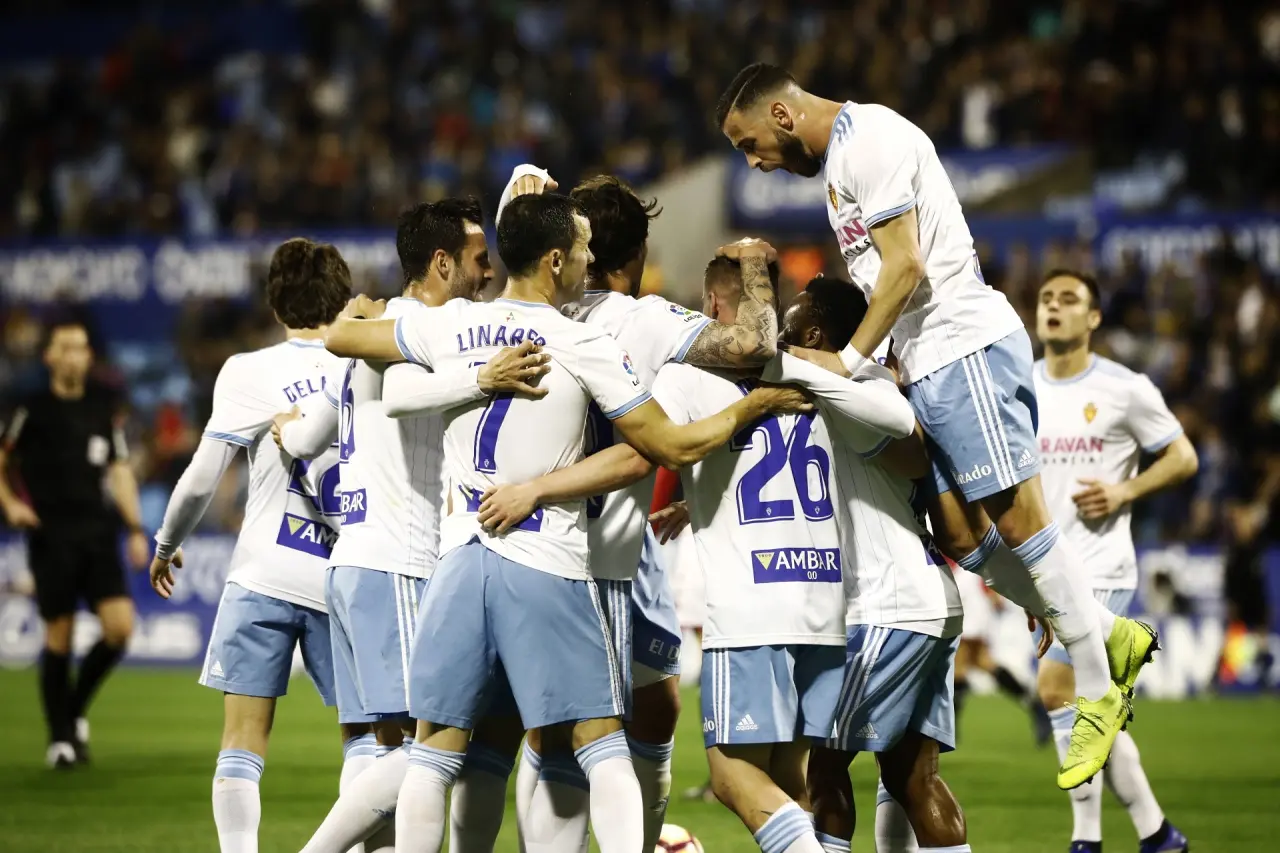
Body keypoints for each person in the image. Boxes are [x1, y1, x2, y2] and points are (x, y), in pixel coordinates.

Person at [322, 192, 813, 853]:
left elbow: (347, 339)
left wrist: (447, 361)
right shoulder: (583, 340)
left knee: (434, 752)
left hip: (461, 558)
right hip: (547, 560)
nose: (587, 260)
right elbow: (668, 444)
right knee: (601, 743)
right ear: (556, 260)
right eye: (579, 251)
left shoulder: (450, 323)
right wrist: (749, 408)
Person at [715, 62, 1155, 790]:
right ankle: (1105, 631)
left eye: (749, 144)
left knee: (1017, 517)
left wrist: (849, 363)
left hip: (962, 343)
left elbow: (906, 268)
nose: (755, 162)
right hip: (926, 359)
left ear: (783, 116)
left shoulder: (870, 138)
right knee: (956, 528)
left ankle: (1098, 685)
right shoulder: (837, 171)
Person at [474, 165, 791, 853]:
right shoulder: (639, 319)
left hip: (572, 538)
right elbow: (755, 345)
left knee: (633, 708)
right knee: (578, 732)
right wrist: (754, 264)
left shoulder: (525, 312)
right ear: (637, 251)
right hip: (590, 549)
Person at [274, 199, 549, 853]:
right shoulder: (413, 329)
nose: (490, 274)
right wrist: (484, 376)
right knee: (435, 747)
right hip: (398, 558)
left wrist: (288, 432)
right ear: (442, 262)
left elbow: (310, 435)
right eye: (480, 260)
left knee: (385, 745)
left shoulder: (370, 329)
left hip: (354, 561)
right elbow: (402, 399)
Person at [649, 259, 916, 853]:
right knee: (795, 780)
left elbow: (650, 447)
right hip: (824, 607)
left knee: (732, 778)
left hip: (750, 609)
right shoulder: (827, 380)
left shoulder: (690, 374)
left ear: (715, 307)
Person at [148, 238, 360, 853]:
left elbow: (200, 480)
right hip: (343, 576)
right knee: (368, 740)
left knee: (242, 741)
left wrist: (166, 542)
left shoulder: (248, 371)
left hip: (262, 573)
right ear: (343, 298)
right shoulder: (366, 367)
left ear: (274, 303)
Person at [777, 276, 970, 853]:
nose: (782, 329)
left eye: (791, 320)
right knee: (912, 776)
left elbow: (896, 418)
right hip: (923, 599)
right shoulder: (845, 392)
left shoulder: (862, 388)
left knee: (825, 766)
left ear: (815, 333)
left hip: (888, 605)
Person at [1033, 269, 1196, 853]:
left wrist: (1125, 490)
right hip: (1045, 570)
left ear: (1094, 317)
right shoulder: (1021, 385)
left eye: (1068, 299)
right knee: (1095, 705)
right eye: (1046, 298)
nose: (1054, 307)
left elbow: (1183, 457)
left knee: (1058, 689)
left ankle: (1087, 840)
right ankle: (1158, 834)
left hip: (1100, 566)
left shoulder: (1125, 388)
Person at [0, 317, 148, 768]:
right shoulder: (30, 409)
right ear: (49, 357)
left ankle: (74, 709)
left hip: (99, 532)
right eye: (65, 347)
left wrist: (135, 527)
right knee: (59, 635)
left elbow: (119, 469)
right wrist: (10, 504)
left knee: (119, 629)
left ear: (89, 356)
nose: (74, 356)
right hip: (51, 534)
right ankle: (61, 739)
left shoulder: (103, 407)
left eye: (80, 348)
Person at [951, 564, 1053, 746]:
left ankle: (949, 729)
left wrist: (991, 593)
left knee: (961, 663)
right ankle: (1035, 704)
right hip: (966, 599)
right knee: (982, 662)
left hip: (968, 603)